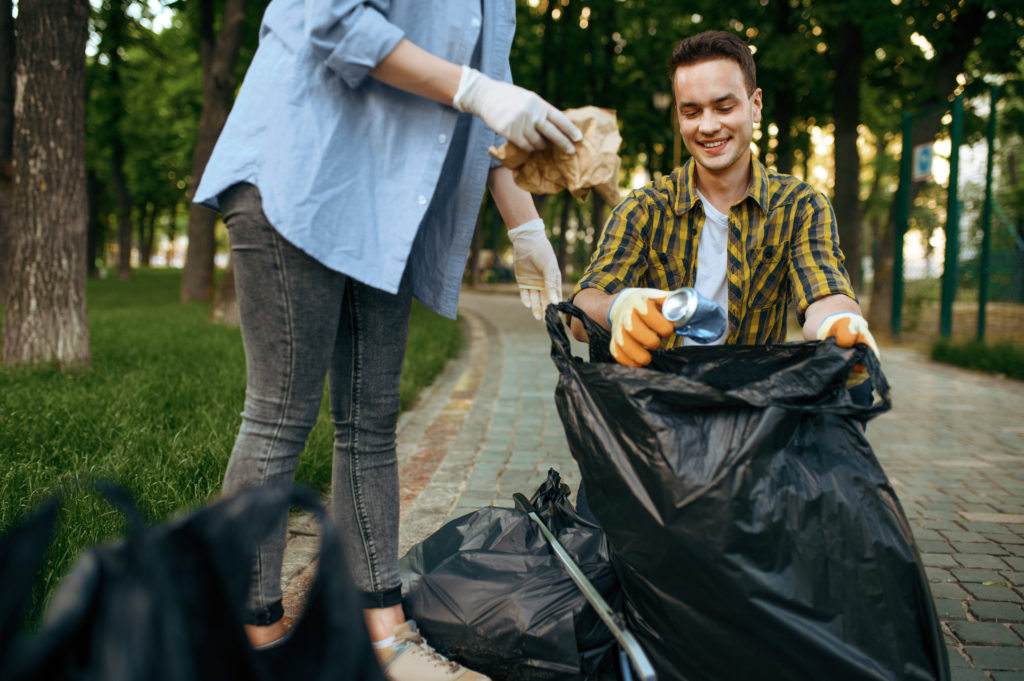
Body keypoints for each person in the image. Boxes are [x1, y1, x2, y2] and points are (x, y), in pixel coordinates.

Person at [192, 2, 582, 680]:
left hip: (389, 201)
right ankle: (253, 634)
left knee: (370, 424)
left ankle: (383, 635)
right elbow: (334, 21)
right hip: (299, 171)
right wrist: (475, 89)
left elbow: (492, 101)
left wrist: (526, 228)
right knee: (281, 414)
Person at [570, 29, 878, 371]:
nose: (708, 125)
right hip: (653, 404)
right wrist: (618, 306)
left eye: (724, 107)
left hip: (752, 408)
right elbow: (581, 313)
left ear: (755, 105)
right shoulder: (643, 209)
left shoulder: (800, 206)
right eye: (691, 112)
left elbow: (824, 293)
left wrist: (838, 326)